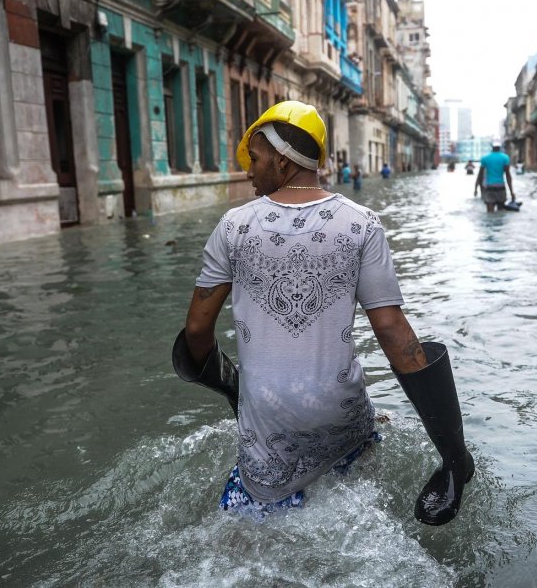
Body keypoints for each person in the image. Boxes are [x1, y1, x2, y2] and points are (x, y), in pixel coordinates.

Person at [172, 100, 474, 525]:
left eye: (255, 159)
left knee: (247, 540)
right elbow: (392, 332)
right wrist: (451, 455)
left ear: (281, 160)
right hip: (343, 418)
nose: (248, 170)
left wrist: (235, 391)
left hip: (269, 435)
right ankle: (457, 464)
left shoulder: (232, 227)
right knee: (357, 515)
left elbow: (197, 330)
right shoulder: (362, 224)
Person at [474, 142, 517, 212]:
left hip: (489, 188)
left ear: (491, 146)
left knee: (490, 214)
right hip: (501, 187)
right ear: (500, 146)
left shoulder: (485, 158)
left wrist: (478, 189)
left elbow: (480, 175)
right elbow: (508, 176)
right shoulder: (505, 158)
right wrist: (512, 192)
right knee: (501, 212)